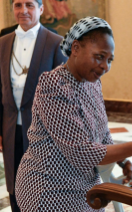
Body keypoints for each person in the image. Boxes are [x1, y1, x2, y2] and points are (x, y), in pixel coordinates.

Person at [15, 16, 132, 212]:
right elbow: (81, 152)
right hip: (48, 189)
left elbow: (103, 136)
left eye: (110, 60)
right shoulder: (54, 85)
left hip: (85, 187)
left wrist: (124, 161)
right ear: (75, 48)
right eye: (99, 56)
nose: (105, 67)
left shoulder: (93, 84)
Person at [0, 0, 67, 211]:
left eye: (29, 4)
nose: (23, 11)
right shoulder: (2, 43)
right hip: (11, 128)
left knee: (40, 191)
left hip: (44, 133)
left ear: (41, 8)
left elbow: (64, 96)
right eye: (18, 5)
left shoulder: (56, 43)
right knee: (14, 188)